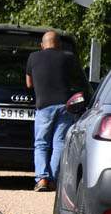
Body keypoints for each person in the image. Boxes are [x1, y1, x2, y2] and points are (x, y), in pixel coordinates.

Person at [25, 30, 85, 191]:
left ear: (42, 45)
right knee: (59, 143)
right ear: (58, 44)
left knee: (41, 143)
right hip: (65, 105)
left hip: (44, 105)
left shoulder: (33, 57)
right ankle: (52, 180)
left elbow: (29, 84)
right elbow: (78, 80)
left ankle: (42, 178)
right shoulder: (68, 57)